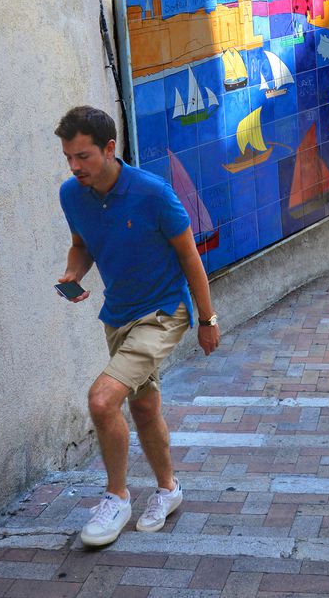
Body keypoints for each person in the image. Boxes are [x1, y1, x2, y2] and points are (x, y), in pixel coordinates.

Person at [55, 106, 220, 547]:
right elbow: (80, 246)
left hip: (165, 313)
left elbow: (190, 257)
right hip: (119, 315)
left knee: (102, 399)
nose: (75, 167)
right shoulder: (71, 195)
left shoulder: (153, 193)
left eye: (83, 156)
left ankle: (116, 497)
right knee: (144, 407)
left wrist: (207, 319)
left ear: (110, 149)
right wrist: (74, 272)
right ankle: (169, 490)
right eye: (68, 157)